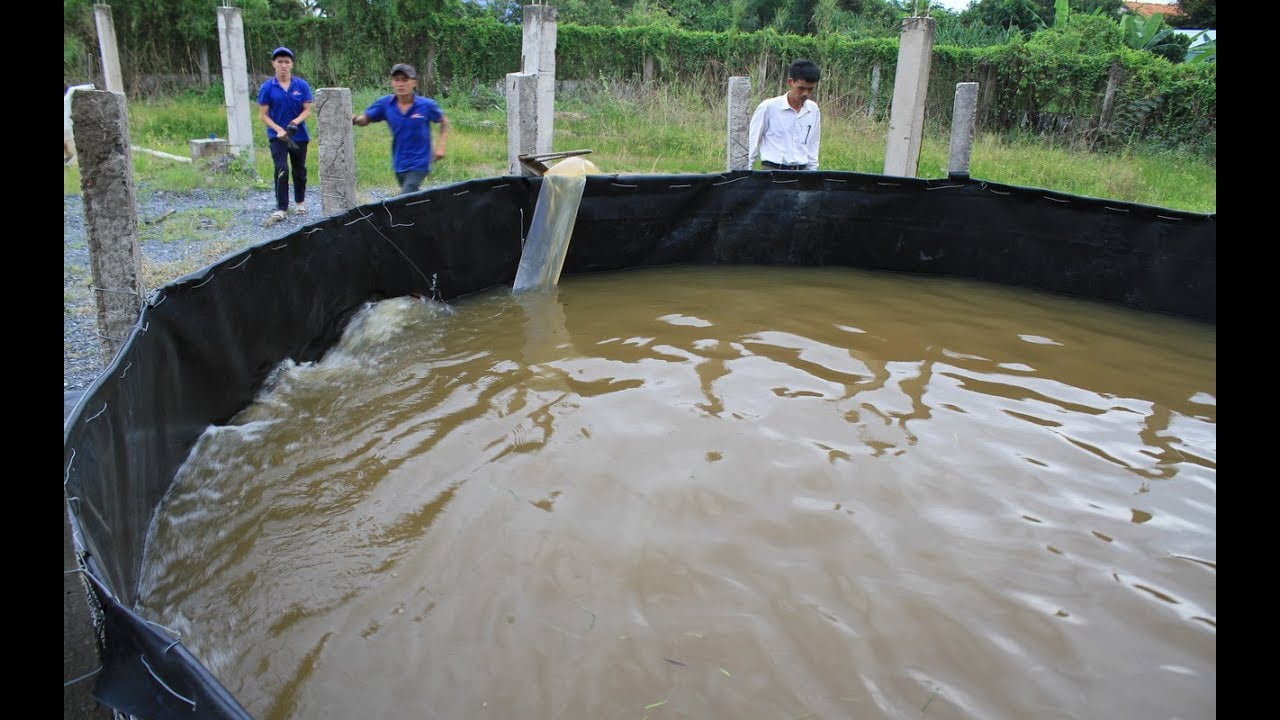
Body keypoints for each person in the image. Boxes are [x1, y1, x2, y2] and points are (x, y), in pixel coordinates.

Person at [352, 63, 450, 195]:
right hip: (400, 162)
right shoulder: (385, 104)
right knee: (411, 198)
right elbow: (366, 119)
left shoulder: (426, 105)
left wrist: (440, 147)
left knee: (405, 196)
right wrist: (355, 119)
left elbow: (444, 121)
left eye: (405, 80)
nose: (400, 84)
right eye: (396, 80)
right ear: (391, 82)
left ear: (414, 83)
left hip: (420, 162)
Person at [257, 46, 313, 226]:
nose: (283, 65)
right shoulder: (268, 87)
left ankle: (300, 203)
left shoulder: (301, 85)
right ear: (273, 63)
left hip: (298, 135)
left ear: (291, 64)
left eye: (287, 62)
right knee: (281, 169)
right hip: (277, 137)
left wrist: (295, 122)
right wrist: (278, 129)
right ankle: (282, 208)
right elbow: (263, 115)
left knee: (299, 169)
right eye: (280, 61)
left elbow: (307, 110)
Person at [748, 59, 821, 172]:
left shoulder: (813, 110)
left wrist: (813, 173)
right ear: (790, 82)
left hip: (802, 172)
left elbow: (813, 144)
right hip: (772, 171)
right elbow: (752, 141)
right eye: (801, 88)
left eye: (810, 89)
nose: (805, 93)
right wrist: (746, 173)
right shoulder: (768, 107)